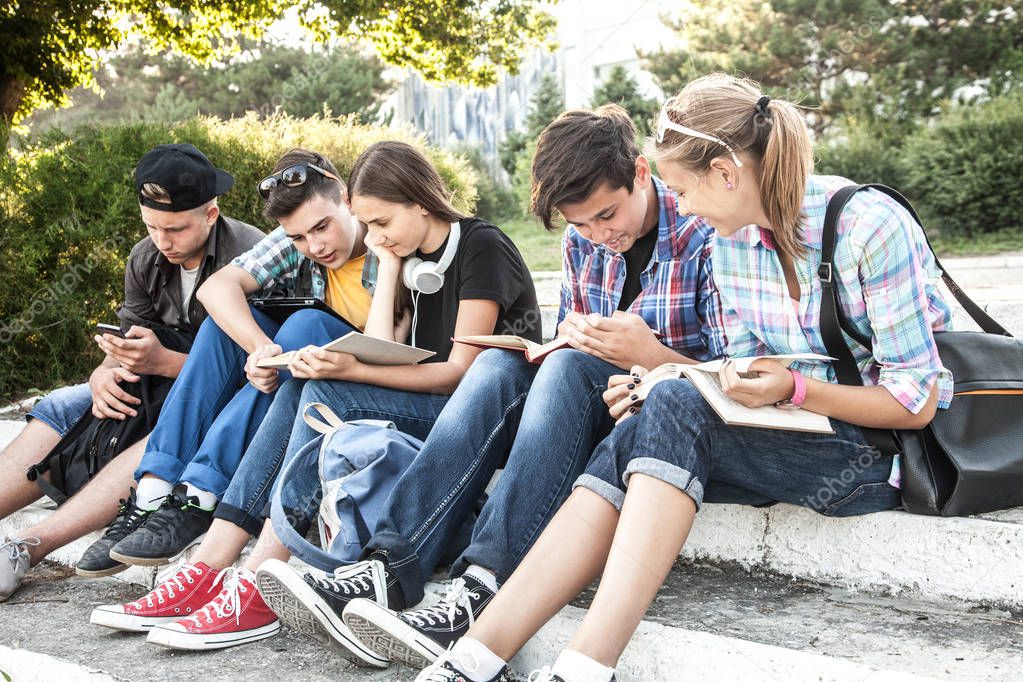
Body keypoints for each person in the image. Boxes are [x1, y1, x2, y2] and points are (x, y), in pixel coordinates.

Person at [415, 74, 954, 682]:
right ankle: (474, 656)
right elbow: (734, 370)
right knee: (647, 419)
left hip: (871, 451)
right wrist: (655, 380)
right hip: (783, 430)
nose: (685, 208)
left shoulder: (868, 227)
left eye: (683, 190)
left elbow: (917, 404)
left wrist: (792, 388)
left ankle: (586, 668)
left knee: (670, 405)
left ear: (726, 172)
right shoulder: (733, 242)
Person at [255, 104, 725, 670]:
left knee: (553, 369)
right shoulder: (583, 245)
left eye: (607, 214)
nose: (601, 234)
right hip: (600, 400)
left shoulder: (705, 232)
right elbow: (573, 341)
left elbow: (733, 374)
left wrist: (649, 360)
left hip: (669, 414)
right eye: (581, 224)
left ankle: (478, 589)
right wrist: (568, 341)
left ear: (642, 173)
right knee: (503, 365)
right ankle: (394, 567)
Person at [90, 140, 541, 660]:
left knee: (321, 380)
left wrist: (352, 367)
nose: (372, 238)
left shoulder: (480, 245)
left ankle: (256, 577)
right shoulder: (409, 254)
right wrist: (390, 268)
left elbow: (461, 375)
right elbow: (390, 351)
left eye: (379, 224)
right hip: (436, 405)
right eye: (367, 225)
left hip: (482, 417)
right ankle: (212, 564)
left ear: (421, 202)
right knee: (307, 380)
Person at [75, 148, 373, 579]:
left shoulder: (385, 242)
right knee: (224, 324)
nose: (316, 246)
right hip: (295, 369)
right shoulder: (297, 238)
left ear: (345, 199)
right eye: (300, 238)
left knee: (303, 322)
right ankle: (154, 495)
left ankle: (200, 495)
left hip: (352, 382)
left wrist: (272, 351)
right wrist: (258, 348)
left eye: (322, 228)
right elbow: (216, 290)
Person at [0, 143, 263, 603]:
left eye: (175, 229)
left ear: (211, 214)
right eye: (151, 226)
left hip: (218, 399)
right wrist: (103, 373)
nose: (162, 241)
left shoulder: (253, 257)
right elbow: (126, 338)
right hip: (154, 383)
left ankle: (28, 547)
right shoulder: (146, 257)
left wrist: (166, 364)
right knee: (62, 404)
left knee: (162, 433)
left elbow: (255, 375)